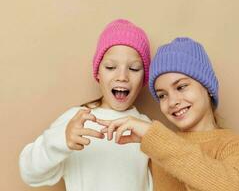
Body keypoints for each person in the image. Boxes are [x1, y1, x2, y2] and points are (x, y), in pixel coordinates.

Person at [99, 37, 239, 191]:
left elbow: (235, 187)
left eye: (181, 87)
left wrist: (154, 137)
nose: (172, 101)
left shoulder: (237, 145)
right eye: (162, 95)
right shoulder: (156, 150)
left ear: (207, 86)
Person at [19, 19, 153, 191]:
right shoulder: (76, 120)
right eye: (111, 67)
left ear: (144, 79)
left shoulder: (146, 127)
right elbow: (29, 172)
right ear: (98, 72)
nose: (122, 76)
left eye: (134, 69)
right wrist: (62, 139)